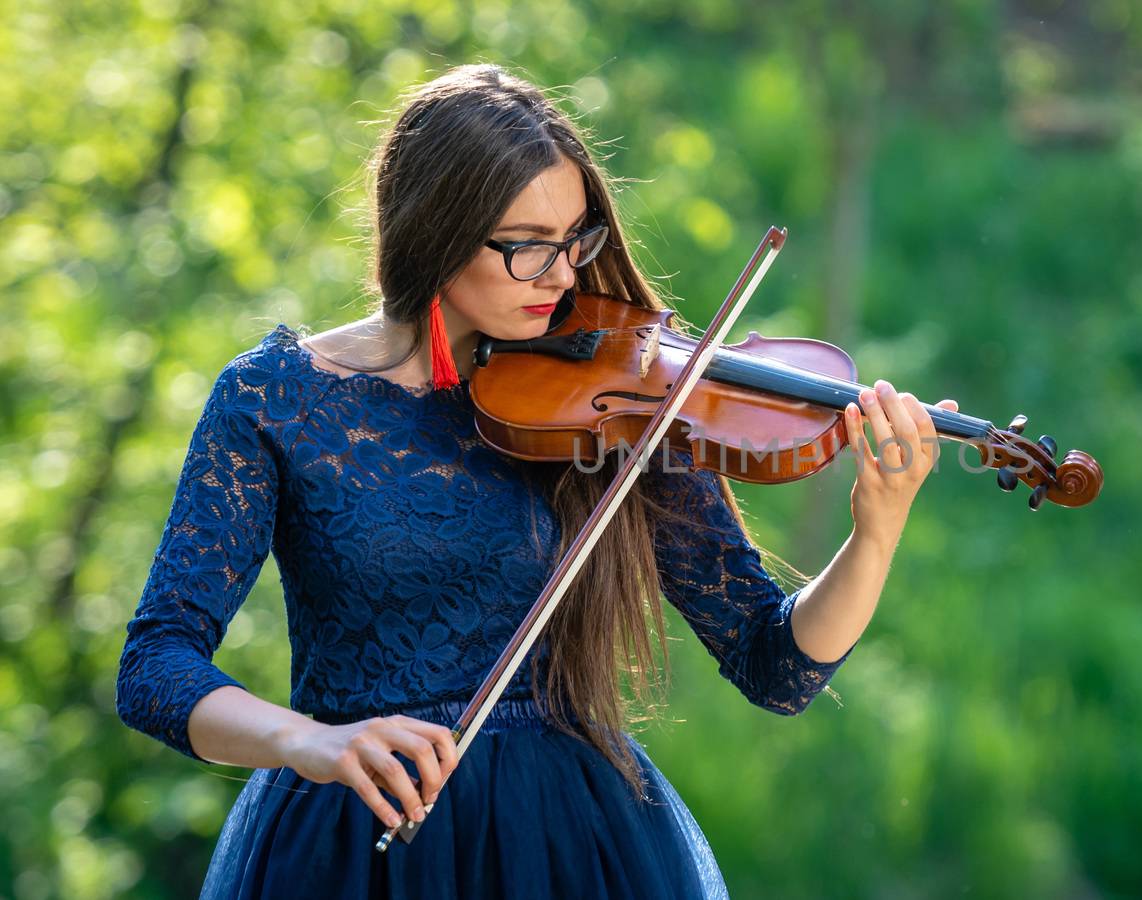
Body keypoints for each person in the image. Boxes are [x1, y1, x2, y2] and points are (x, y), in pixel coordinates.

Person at [115, 63, 958, 898]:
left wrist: (874, 533)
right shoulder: (276, 399)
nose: (562, 278)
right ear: (433, 231)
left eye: (576, 240)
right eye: (526, 248)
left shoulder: (622, 399)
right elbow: (156, 664)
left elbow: (775, 667)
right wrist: (308, 743)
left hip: (562, 842)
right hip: (351, 834)